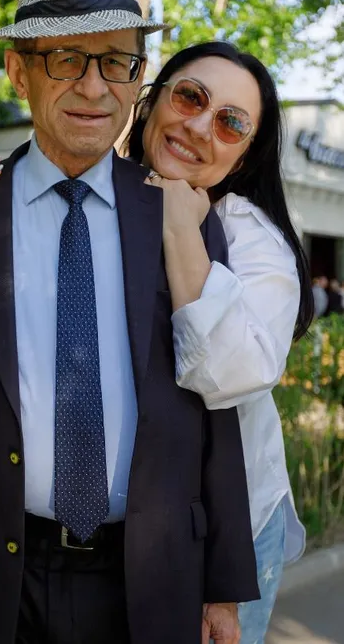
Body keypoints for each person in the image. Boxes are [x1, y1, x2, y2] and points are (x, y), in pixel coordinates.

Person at [0, 0, 258, 644]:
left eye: (116, 62)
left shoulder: (177, 215)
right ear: (18, 70)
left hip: (152, 580)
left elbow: (215, 411)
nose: (94, 87)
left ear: (138, 76)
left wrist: (225, 585)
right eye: (66, 59)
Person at [125, 42, 314, 643]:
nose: (201, 126)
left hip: (225, 540)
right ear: (152, 101)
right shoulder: (98, 200)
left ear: (243, 155)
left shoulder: (251, 239)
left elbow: (230, 374)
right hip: (122, 537)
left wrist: (180, 228)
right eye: (190, 97)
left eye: (231, 123)